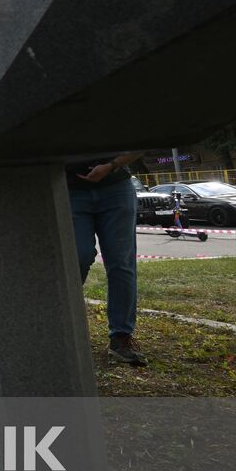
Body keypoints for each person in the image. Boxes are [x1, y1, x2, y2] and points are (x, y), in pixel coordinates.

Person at [68, 153, 147, 366]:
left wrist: (112, 165)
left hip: (116, 187)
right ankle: (65, 328)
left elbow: (142, 139)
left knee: (121, 264)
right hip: (69, 190)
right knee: (77, 257)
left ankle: (121, 338)